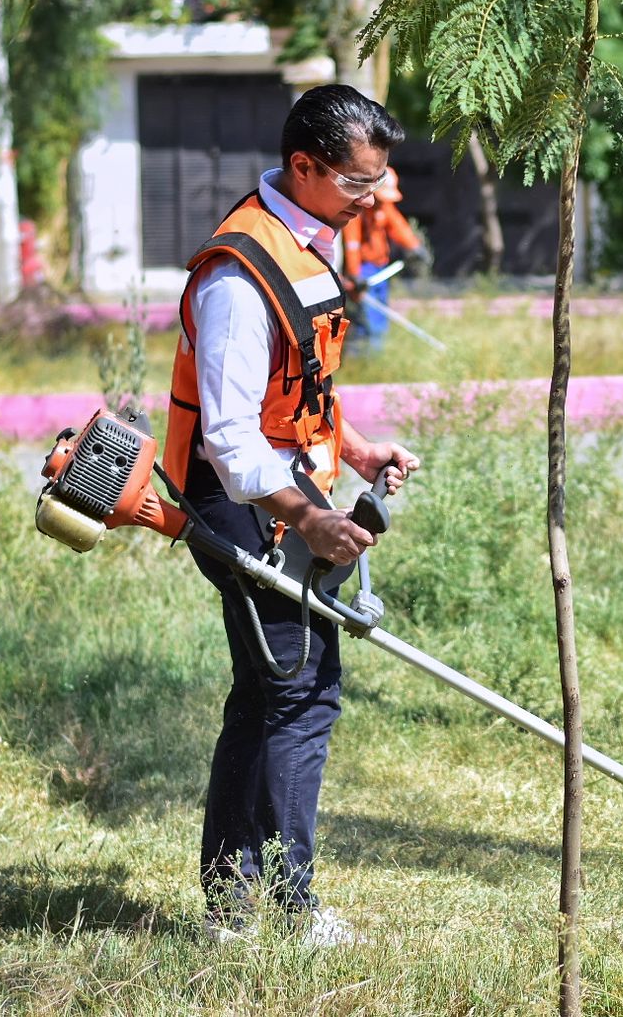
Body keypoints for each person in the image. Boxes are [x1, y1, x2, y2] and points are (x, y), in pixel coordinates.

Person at [161, 84, 421, 945]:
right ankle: (288, 907)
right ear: (304, 167)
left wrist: (355, 452)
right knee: (299, 696)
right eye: (357, 184)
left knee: (270, 695)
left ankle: (231, 908)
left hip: (280, 489)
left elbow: (298, 391)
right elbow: (233, 441)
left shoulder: (306, 241)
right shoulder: (237, 275)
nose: (372, 200)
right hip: (240, 503)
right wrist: (304, 519)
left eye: (378, 181)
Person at [339, 167, 430, 352]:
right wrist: (355, 275)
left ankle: (376, 353)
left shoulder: (383, 207)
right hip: (362, 271)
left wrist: (414, 247)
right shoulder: (356, 213)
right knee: (366, 316)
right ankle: (363, 356)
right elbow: (352, 245)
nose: (382, 202)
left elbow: (398, 226)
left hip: (379, 268)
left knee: (380, 313)